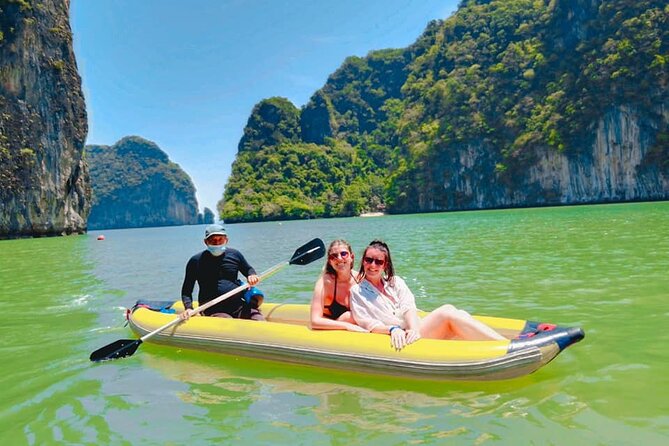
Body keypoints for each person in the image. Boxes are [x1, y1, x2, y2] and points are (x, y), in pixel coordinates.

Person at [350, 240, 505, 350]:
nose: (372, 265)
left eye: (378, 262)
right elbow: (367, 323)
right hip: (398, 336)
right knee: (446, 311)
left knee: (458, 312)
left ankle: (492, 347)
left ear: (386, 265)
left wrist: (414, 329)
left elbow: (408, 307)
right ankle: (505, 346)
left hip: (413, 331)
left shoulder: (395, 282)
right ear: (363, 261)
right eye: (368, 260)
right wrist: (392, 329)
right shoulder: (357, 292)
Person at [179, 224, 264, 321]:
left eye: (220, 240)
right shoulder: (196, 261)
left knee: (258, 319)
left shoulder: (235, 255)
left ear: (226, 240)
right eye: (213, 240)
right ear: (206, 242)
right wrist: (188, 308)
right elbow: (187, 289)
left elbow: (248, 269)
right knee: (228, 322)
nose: (217, 243)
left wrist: (252, 275)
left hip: (238, 305)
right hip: (212, 308)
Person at [309, 239, 365, 332]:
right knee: (349, 316)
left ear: (352, 257)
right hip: (329, 328)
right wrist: (347, 325)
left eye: (344, 254)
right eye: (334, 256)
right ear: (330, 261)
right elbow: (315, 321)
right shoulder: (324, 282)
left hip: (355, 326)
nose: (339, 258)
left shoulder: (361, 279)